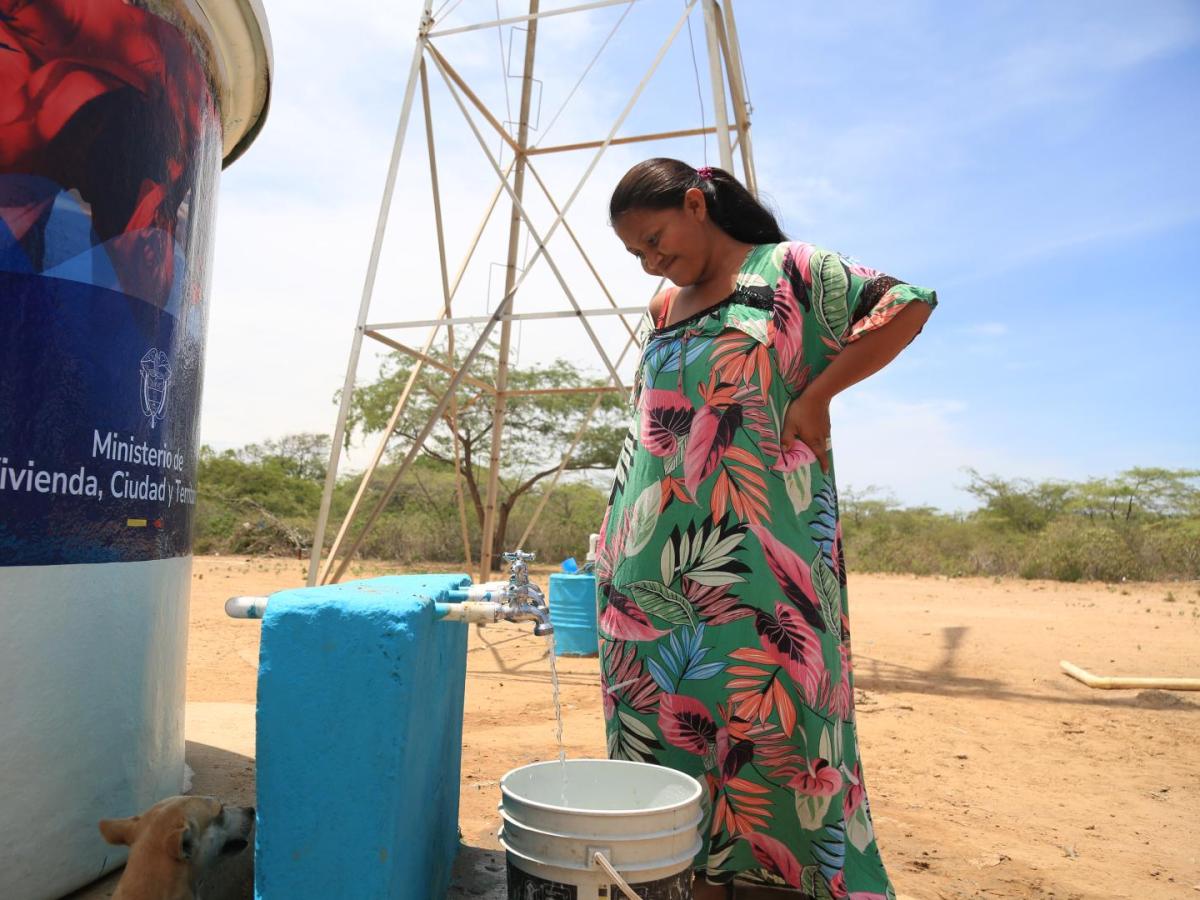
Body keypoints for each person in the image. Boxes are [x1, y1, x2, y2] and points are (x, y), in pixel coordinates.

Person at [596, 158, 936, 900]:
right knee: (658, 728)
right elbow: (648, 431)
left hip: (765, 550)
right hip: (646, 557)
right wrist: (610, 535)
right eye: (637, 255)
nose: (653, 262)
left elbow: (904, 305)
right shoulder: (661, 308)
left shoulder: (792, 270)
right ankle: (691, 881)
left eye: (657, 239)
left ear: (696, 203)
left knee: (780, 719)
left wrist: (818, 397)